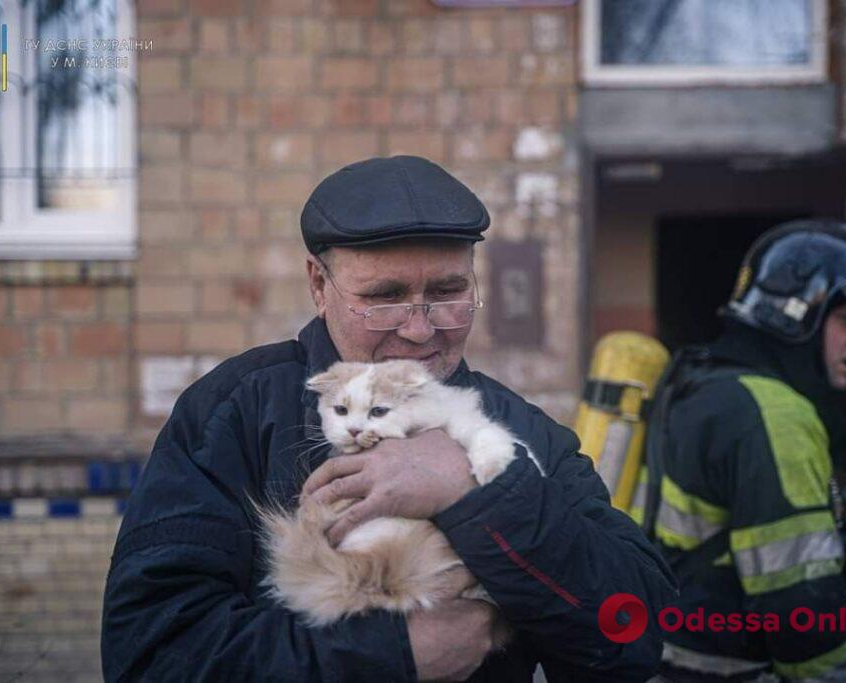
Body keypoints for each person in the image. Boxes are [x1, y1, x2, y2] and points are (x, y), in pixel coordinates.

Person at [101, 156, 677, 682]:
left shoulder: (524, 431)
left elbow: (631, 634)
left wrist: (475, 491)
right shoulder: (236, 410)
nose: (420, 329)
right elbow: (151, 653)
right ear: (318, 286)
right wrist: (390, 652)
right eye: (384, 297)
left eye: (449, 291)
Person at [636, 220, 846, 681]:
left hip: (674, 655)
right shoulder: (775, 413)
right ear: (796, 314)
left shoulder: (701, 381)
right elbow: (798, 598)